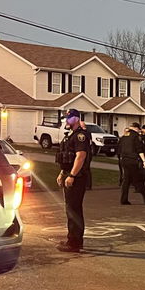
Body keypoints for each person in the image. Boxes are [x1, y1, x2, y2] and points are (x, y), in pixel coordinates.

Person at [55, 108, 92, 252]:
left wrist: (72, 175)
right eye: (66, 118)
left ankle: (75, 243)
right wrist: (62, 173)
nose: (67, 120)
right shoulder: (70, 135)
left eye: (69, 118)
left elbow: (80, 156)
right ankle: (72, 239)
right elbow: (66, 157)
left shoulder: (80, 136)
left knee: (73, 210)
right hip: (68, 174)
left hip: (77, 177)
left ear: (76, 119)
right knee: (70, 209)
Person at [118, 123, 145, 206]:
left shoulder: (124, 136)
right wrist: (144, 161)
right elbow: (139, 149)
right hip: (132, 161)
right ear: (136, 128)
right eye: (138, 129)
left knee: (126, 181)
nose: (139, 131)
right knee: (138, 180)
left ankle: (124, 199)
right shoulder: (136, 136)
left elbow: (119, 148)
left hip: (124, 160)